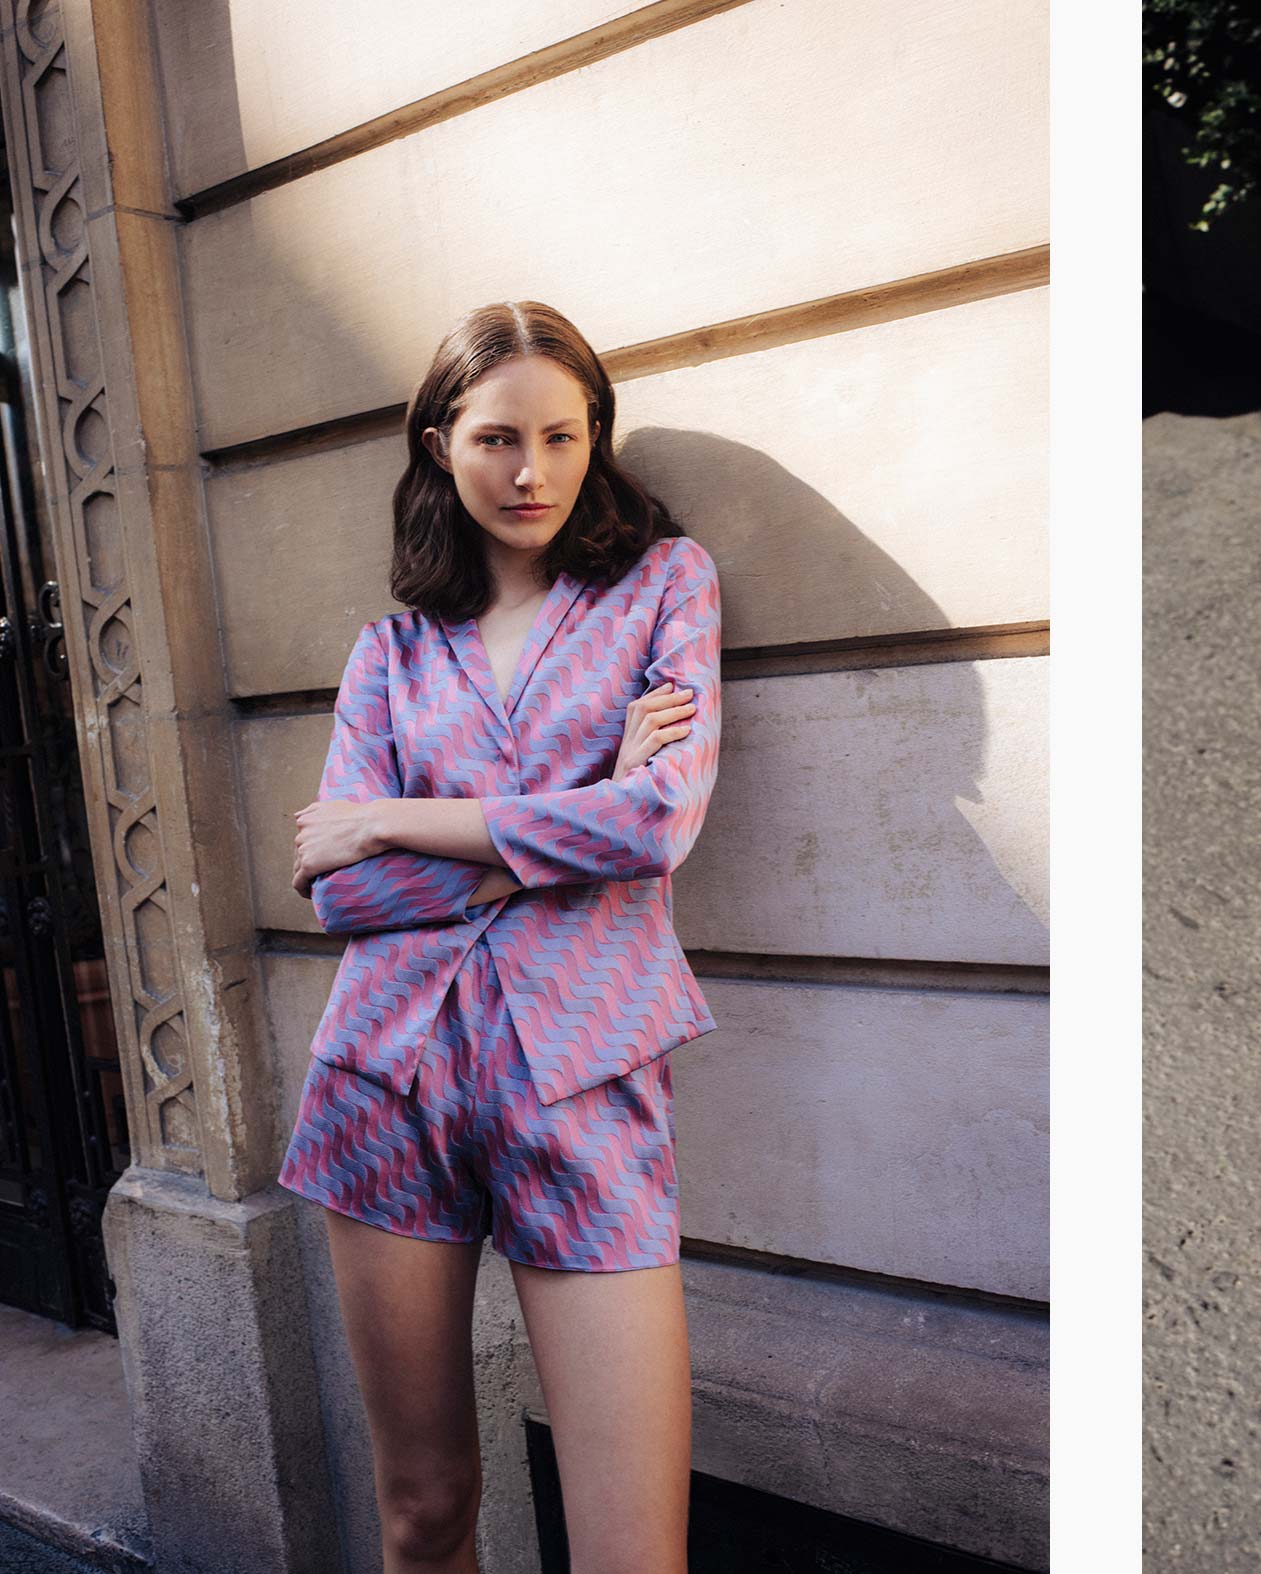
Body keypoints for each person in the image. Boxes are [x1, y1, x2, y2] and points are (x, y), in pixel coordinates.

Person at [277, 299, 724, 1565]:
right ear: (437, 444)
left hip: (583, 1076)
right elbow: (339, 891)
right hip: (384, 1081)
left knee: (634, 1549)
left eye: (562, 436)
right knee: (422, 1514)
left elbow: (653, 823)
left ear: (596, 440)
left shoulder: (659, 589)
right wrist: (560, 816)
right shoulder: (389, 653)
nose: (532, 471)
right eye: (494, 438)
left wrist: (399, 820)